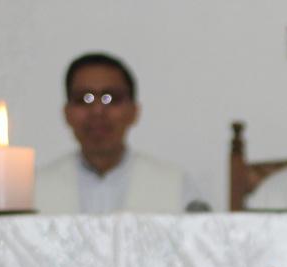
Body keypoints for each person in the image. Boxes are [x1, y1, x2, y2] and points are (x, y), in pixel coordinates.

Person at [38, 52, 205, 214]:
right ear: (67, 113)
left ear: (134, 111)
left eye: (110, 98)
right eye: (84, 98)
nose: (97, 111)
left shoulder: (175, 186)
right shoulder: (34, 190)